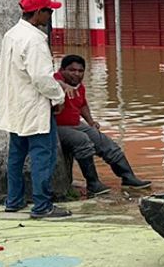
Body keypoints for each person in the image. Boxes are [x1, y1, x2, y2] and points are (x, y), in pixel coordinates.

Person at [0, 0, 72, 219]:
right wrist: (59, 97)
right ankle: (42, 206)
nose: (51, 15)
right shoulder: (35, 40)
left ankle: (14, 200)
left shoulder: (11, 34)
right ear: (38, 13)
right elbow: (41, 78)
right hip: (34, 107)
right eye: (48, 11)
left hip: (15, 106)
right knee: (43, 156)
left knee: (16, 156)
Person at [55, 55, 151, 194]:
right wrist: (64, 85)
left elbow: (82, 105)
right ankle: (93, 183)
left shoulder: (79, 87)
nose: (76, 74)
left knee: (107, 144)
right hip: (57, 127)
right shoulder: (55, 80)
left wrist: (91, 122)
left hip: (76, 123)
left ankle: (128, 177)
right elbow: (52, 82)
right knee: (82, 142)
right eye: (72, 70)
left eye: (80, 71)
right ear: (62, 70)